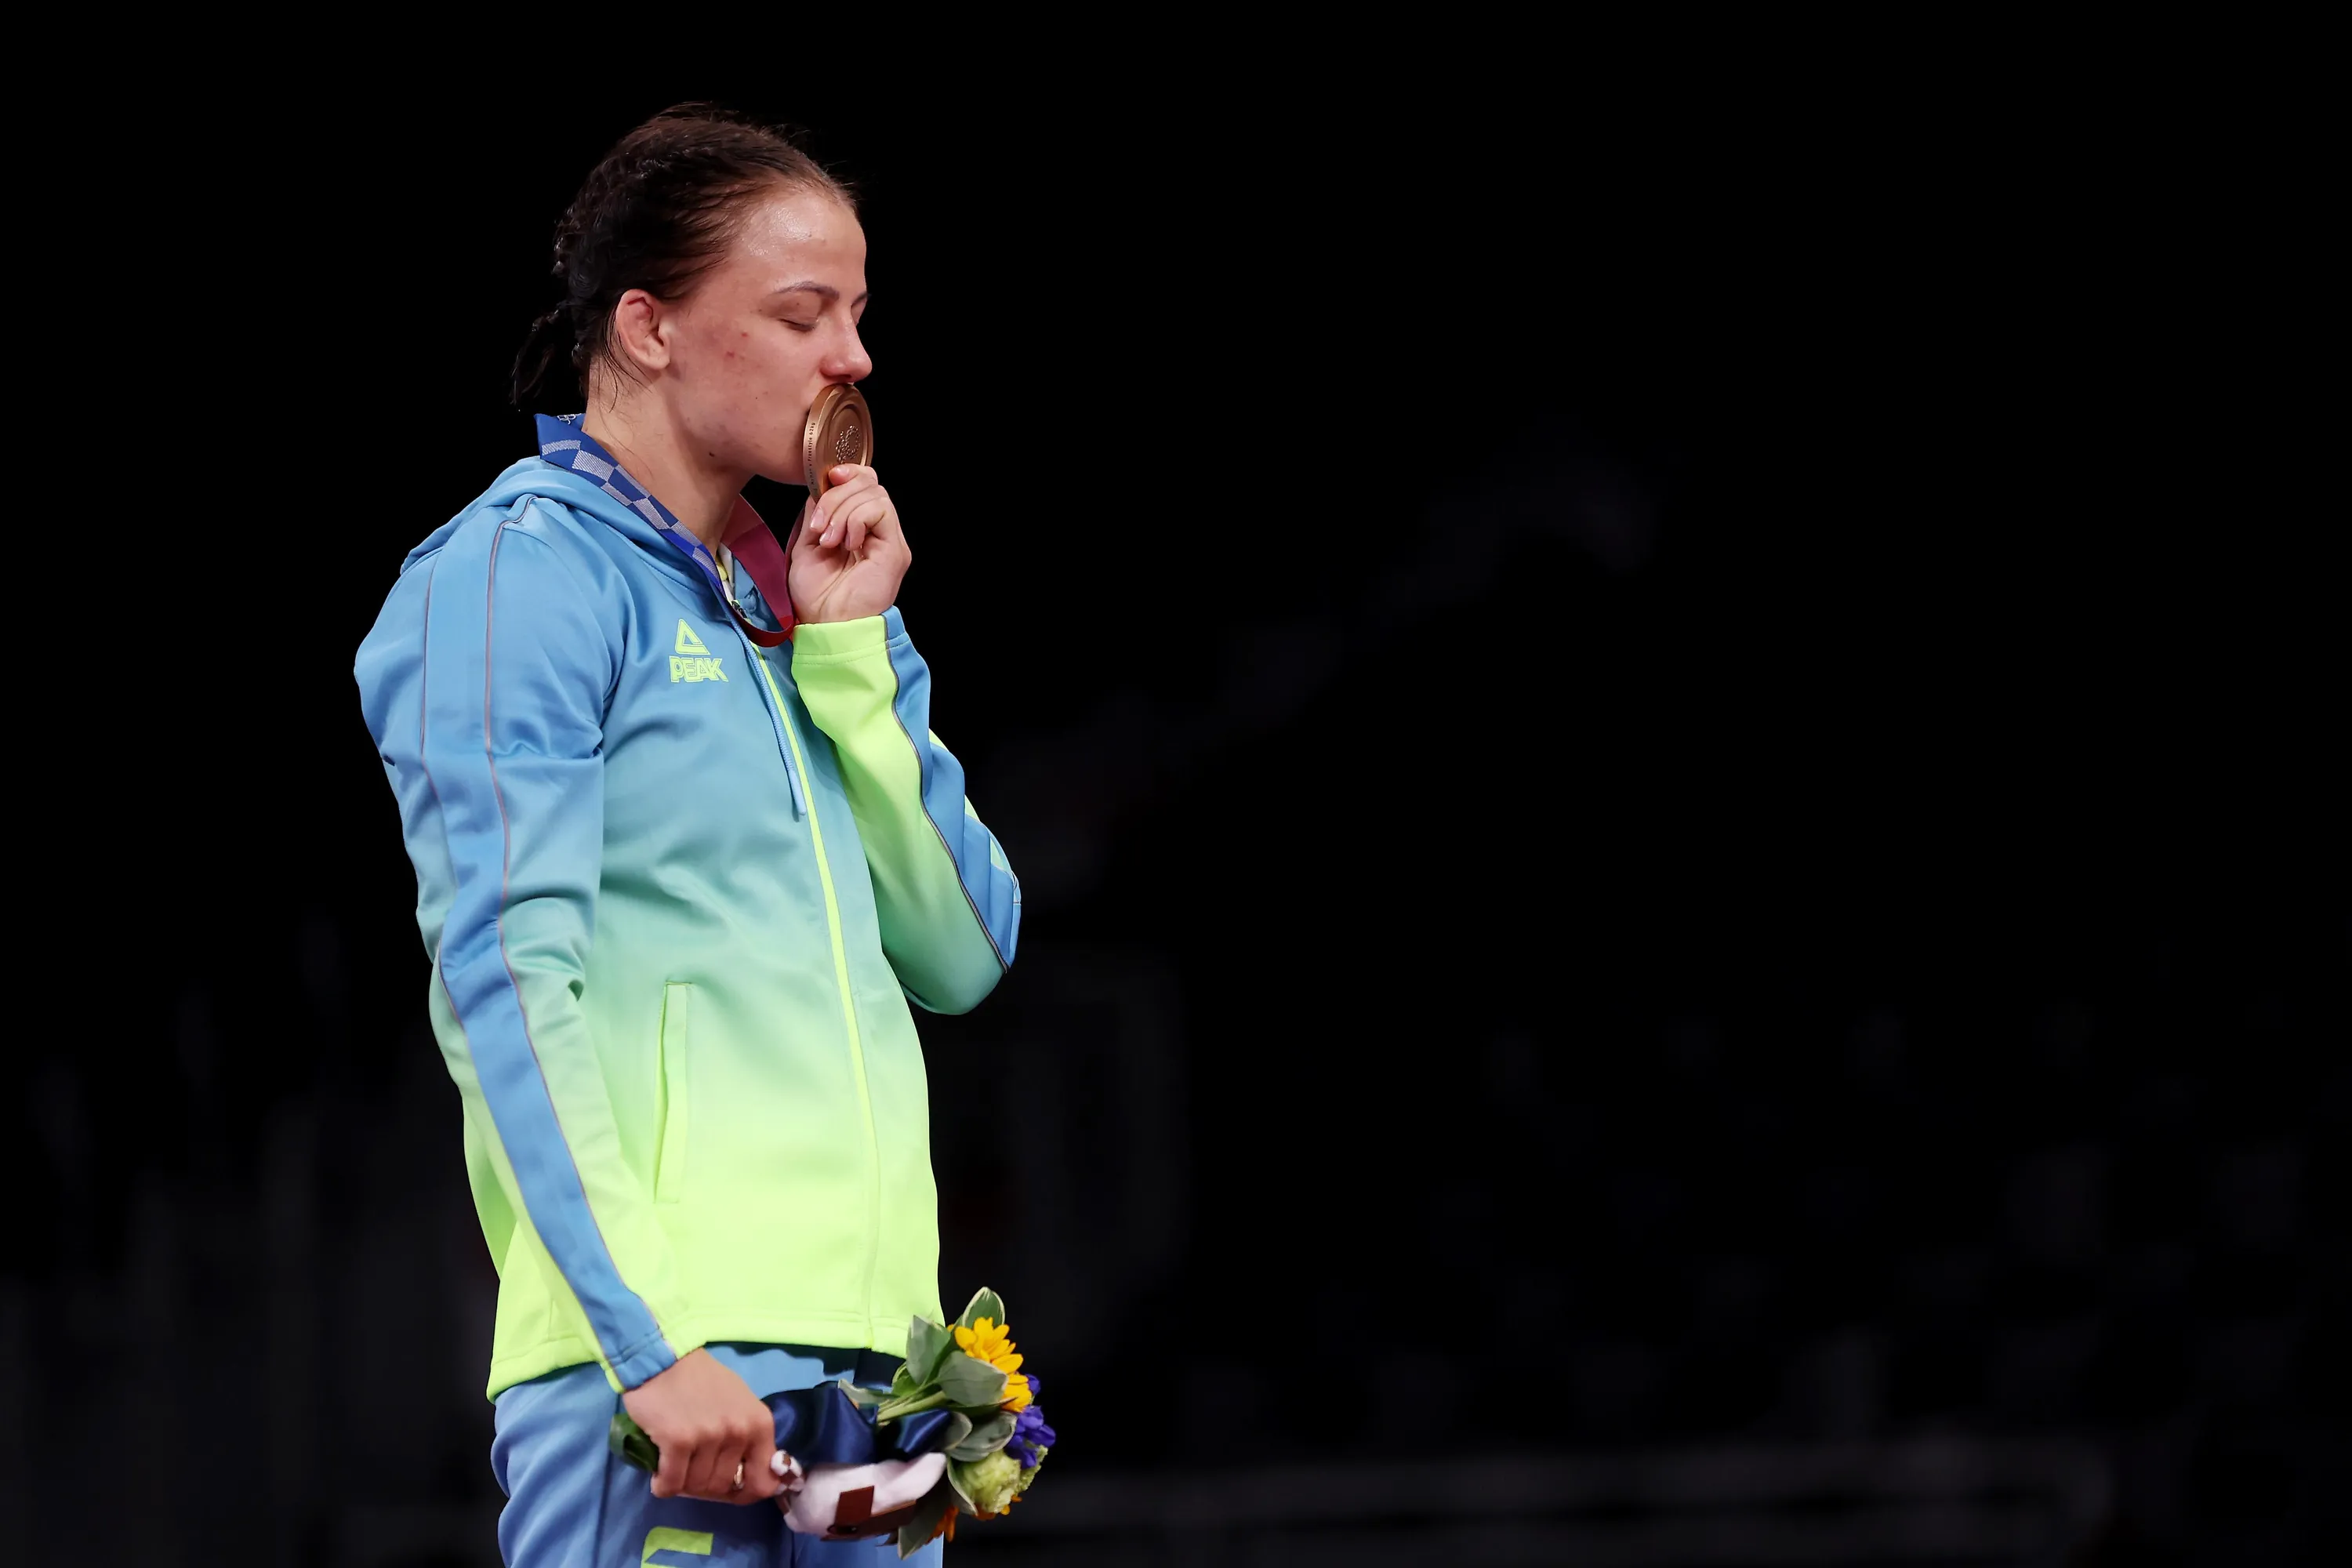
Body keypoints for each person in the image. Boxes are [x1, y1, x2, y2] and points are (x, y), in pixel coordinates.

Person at [354, 105, 1020, 1565]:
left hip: (885, 1370)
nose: (851, 359)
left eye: (858, 317)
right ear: (648, 328)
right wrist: (647, 1341)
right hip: (667, 1372)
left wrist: (855, 657)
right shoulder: (519, 575)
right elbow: (507, 980)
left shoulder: (793, 606)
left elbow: (966, 952)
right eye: (802, 314)